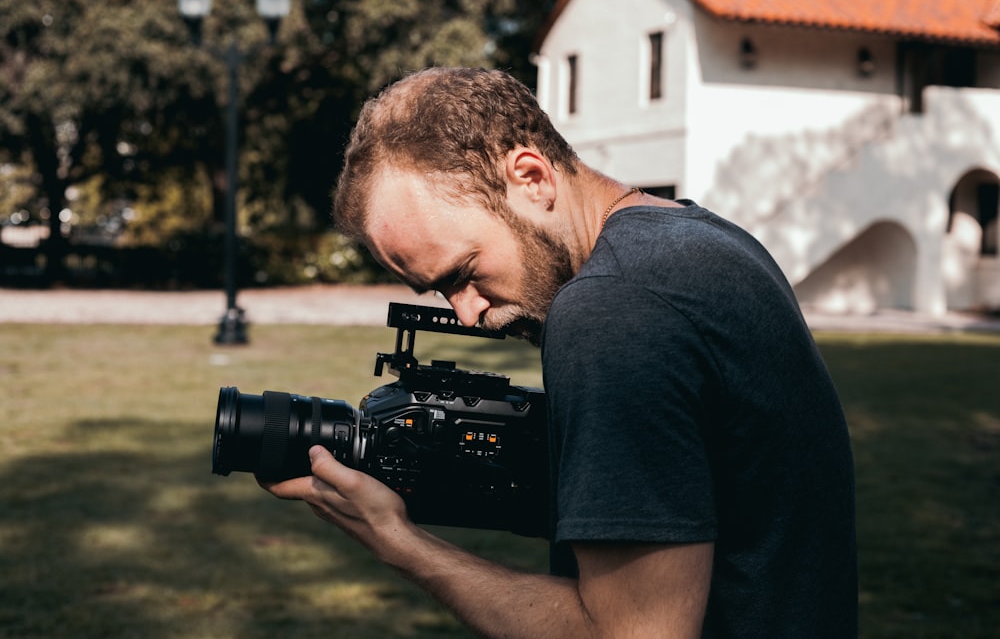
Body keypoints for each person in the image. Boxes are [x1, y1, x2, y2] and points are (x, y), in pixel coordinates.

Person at [262, 67, 858, 637]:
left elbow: (635, 633)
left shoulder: (611, 308)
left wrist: (397, 540)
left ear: (532, 178)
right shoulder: (704, 239)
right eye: (439, 291)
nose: (467, 313)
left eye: (464, 272)